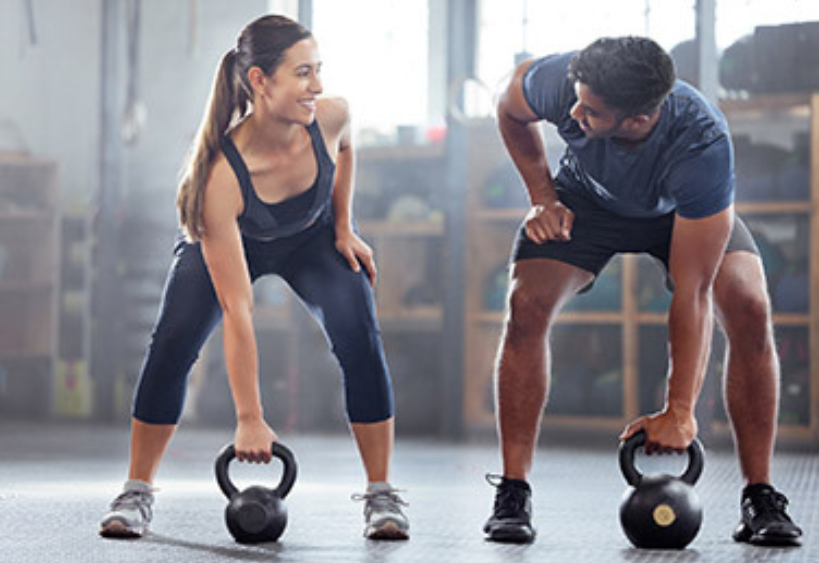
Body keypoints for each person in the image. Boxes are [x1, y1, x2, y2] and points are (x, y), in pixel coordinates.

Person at [99, 14, 409, 541]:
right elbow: (239, 311)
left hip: (310, 238)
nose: (318, 86)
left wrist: (342, 226)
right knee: (172, 342)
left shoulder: (331, 117)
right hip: (231, 239)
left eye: (319, 70)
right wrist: (250, 417)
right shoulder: (221, 175)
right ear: (260, 82)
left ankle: (381, 494)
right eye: (303, 73)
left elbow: (347, 149)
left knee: (359, 331)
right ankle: (136, 490)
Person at [483, 36, 803, 546]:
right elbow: (508, 104)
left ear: (636, 120)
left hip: (679, 214)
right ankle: (513, 492)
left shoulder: (701, 144)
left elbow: (692, 291)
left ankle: (760, 495)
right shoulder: (566, 80)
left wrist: (680, 410)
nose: (572, 113)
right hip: (583, 202)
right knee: (525, 304)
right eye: (576, 99)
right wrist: (542, 197)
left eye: (590, 111)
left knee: (748, 305)